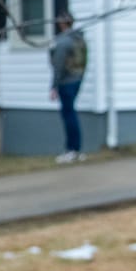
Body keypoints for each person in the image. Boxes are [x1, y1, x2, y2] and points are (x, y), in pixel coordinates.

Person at [49, 10, 88, 164]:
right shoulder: (79, 39)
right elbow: (84, 61)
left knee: (68, 115)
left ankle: (72, 149)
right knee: (71, 113)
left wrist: (54, 86)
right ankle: (76, 149)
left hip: (66, 82)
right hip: (77, 79)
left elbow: (58, 65)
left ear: (62, 23)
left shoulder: (63, 42)